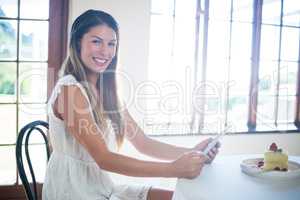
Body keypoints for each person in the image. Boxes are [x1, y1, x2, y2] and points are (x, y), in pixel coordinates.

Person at [43, 9, 219, 200]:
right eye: (96, 41)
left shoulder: (105, 91)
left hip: (103, 187)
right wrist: (173, 169)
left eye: (112, 44)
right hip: (74, 192)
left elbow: (143, 144)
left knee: (178, 197)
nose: (105, 51)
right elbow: (104, 159)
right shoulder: (70, 90)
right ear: (77, 43)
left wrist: (194, 152)